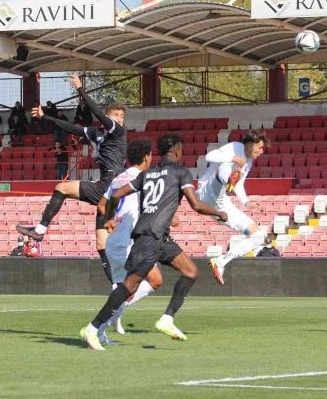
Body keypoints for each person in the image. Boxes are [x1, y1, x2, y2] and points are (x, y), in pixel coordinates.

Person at [79, 134, 227, 350]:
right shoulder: (180, 172)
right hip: (148, 237)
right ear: (176, 150)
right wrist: (219, 214)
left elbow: (115, 195)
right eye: (181, 148)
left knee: (191, 271)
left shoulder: (147, 174)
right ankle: (92, 329)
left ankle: (167, 319)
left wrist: (109, 218)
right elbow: (196, 205)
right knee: (130, 286)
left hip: (160, 237)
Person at [16, 73, 127, 287]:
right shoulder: (98, 133)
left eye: (121, 115)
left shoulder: (117, 131)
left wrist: (81, 89)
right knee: (101, 243)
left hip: (111, 185)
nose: (119, 119)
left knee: (62, 187)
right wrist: (45, 116)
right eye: (116, 114)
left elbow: (97, 113)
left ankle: (39, 230)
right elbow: (72, 128)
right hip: (108, 190)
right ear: (108, 115)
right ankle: (118, 288)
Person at [93, 138, 164, 346]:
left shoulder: (118, 178)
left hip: (114, 241)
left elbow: (102, 204)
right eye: (150, 155)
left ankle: (102, 327)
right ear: (145, 157)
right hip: (128, 242)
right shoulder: (143, 179)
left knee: (125, 289)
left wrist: (110, 219)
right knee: (152, 282)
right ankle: (100, 326)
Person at [203, 130, 269, 285]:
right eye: (259, 147)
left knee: (258, 236)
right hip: (206, 192)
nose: (261, 151)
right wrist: (232, 158)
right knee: (226, 165)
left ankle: (220, 261)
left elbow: (239, 184)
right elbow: (208, 156)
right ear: (251, 144)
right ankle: (226, 181)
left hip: (219, 203)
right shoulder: (235, 147)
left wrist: (246, 202)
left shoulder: (249, 162)